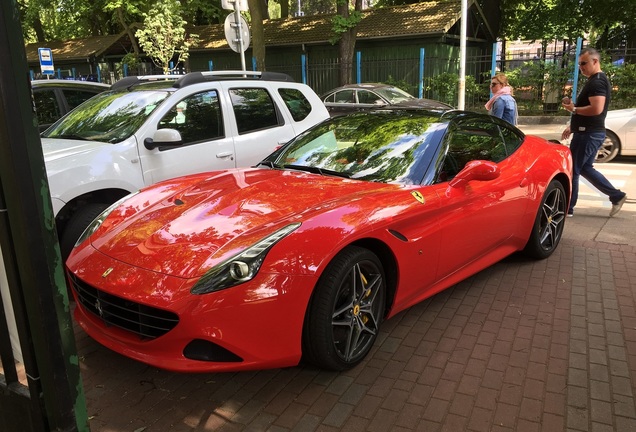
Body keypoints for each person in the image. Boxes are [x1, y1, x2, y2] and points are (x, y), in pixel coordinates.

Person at [561, 47, 627, 217]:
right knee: (585, 168)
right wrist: (573, 125)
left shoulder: (597, 81)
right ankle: (616, 195)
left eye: (584, 63)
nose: (581, 67)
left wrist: (574, 109)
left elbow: (596, 109)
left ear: (595, 61)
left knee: (573, 170)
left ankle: (568, 208)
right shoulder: (595, 80)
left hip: (588, 134)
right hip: (588, 132)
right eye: (579, 64)